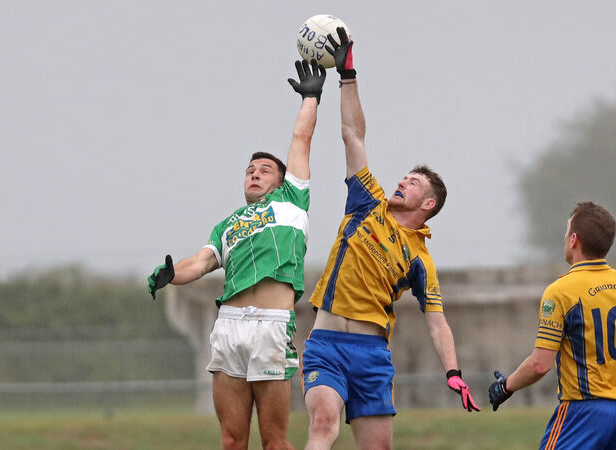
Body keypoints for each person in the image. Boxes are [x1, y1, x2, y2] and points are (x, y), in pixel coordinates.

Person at [301, 27, 480, 450]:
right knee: (323, 424)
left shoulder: (420, 260)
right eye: (404, 176)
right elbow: (353, 134)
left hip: (371, 355)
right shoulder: (368, 202)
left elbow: (438, 322)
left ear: (429, 204)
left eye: (414, 181)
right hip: (324, 343)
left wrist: (453, 372)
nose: (402, 181)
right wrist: (348, 76)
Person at [147, 59, 326, 450]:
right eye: (250, 169)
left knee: (275, 442)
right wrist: (169, 273)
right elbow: (200, 263)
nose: (255, 174)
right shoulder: (226, 225)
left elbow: (300, 141)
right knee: (231, 441)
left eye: (265, 169)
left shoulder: (291, 202)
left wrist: (310, 98)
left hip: (271, 326)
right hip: (228, 327)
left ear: (281, 181)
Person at [488, 201, 616, 450]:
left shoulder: (560, 291)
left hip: (584, 412)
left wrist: (506, 387)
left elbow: (540, 364)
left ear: (574, 240)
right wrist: (614, 378)